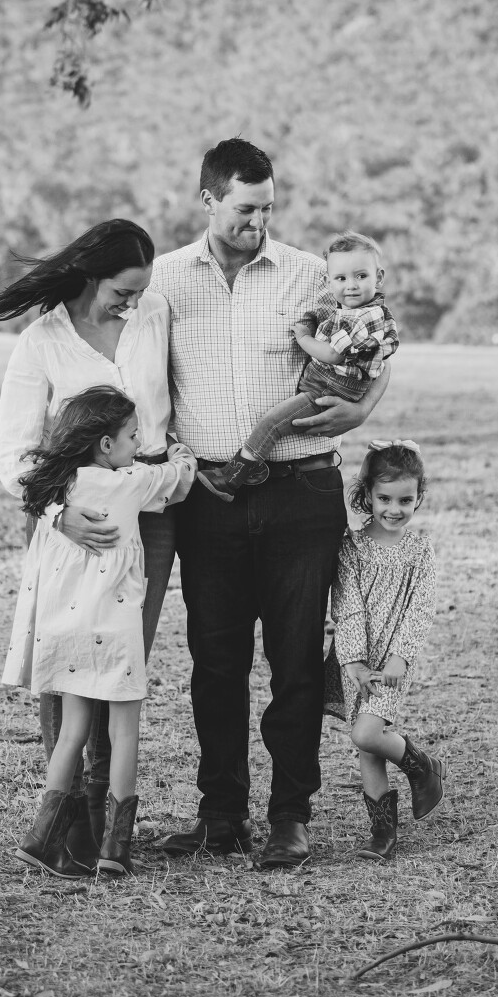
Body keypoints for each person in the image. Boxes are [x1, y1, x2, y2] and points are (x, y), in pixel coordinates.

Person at [150, 138, 391, 870]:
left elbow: (376, 342)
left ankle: (291, 817)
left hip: (300, 491)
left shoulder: (311, 274)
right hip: (211, 496)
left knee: (295, 663)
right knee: (214, 661)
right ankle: (220, 815)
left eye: (268, 209)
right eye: (245, 208)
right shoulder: (165, 279)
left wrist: (364, 409)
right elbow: (145, 380)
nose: (258, 221)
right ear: (208, 200)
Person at [0, 219, 177, 865]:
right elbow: (15, 454)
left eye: (140, 291)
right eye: (122, 291)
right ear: (91, 277)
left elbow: (171, 407)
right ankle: (69, 830)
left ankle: (105, 822)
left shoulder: (154, 315)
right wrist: (57, 513)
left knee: (119, 661)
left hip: (146, 511)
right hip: (69, 522)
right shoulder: (41, 343)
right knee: (68, 665)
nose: (133, 302)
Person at [6, 387, 196, 877]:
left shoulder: (60, 489)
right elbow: (178, 481)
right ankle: (115, 847)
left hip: (69, 628)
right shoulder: (132, 481)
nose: (139, 443)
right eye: (133, 436)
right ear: (107, 445)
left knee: (72, 732)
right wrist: (179, 452)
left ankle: (41, 837)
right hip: (115, 630)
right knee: (124, 730)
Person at [197, 230, 399, 500]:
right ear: (328, 281)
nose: (351, 285)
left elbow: (332, 354)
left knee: (272, 423)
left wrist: (304, 338)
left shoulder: (363, 317)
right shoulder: (354, 310)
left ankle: (232, 477)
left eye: (361, 276)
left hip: (328, 390)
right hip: (327, 384)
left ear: (379, 277)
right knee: (276, 421)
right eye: (341, 278)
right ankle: (248, 468)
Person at [323, 439, 444, 863]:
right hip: (358, 661)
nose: (395, 509)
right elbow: (348, 604)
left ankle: (422, 766)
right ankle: (383, 832)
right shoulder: (352, 547)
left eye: (406, 500)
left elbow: (420, 610)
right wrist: (354, 662)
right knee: (367, 747)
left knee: (367, 733)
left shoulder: (419, 551)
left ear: (418, 497)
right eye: (385, 499)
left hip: (393, 662)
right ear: (368, 496)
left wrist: (399, 657)